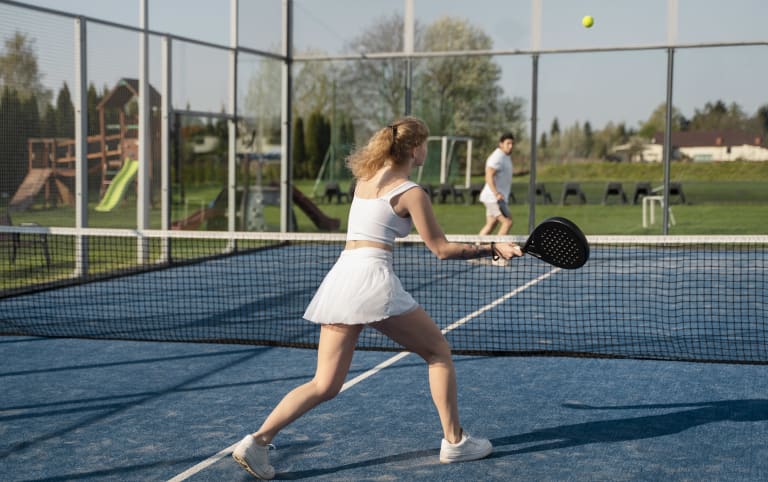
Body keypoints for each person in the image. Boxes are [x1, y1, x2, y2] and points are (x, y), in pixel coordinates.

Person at [232, 116, 523, 479]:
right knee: (437, 352)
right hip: (371, 279)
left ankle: (256, 443)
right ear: (415, 149)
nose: (426, 151)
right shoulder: (411, 192)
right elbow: (441, 249)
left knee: (324, 384)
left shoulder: (363, 181)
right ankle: (455, 442)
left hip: (343, 275)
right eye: (426, 145)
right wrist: (493, 247)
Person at [478, 133, 515, 235]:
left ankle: (476, 248)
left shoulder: (505, 156)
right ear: (501, 144)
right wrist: (496, 194)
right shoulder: (497, 157)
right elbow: (488, 175)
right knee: (507, 222)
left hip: (496, 198)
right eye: (508, 143)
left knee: (491, 224)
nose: (510, 146)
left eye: (512, 143)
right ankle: (498, 249)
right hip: (493, 198)